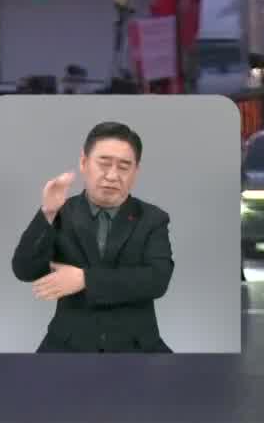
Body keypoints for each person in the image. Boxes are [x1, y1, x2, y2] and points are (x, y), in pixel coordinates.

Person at [10, 121, 174, 353]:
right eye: (104, 163)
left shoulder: (152, 219)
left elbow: (157, 279)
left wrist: (85, 279)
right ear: (84, 163)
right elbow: (24, 270)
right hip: (67, 344)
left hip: (138, 345)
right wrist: (47, 213)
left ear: (136, 172)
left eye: (124, 166)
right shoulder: (62, 212)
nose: (112, 175)